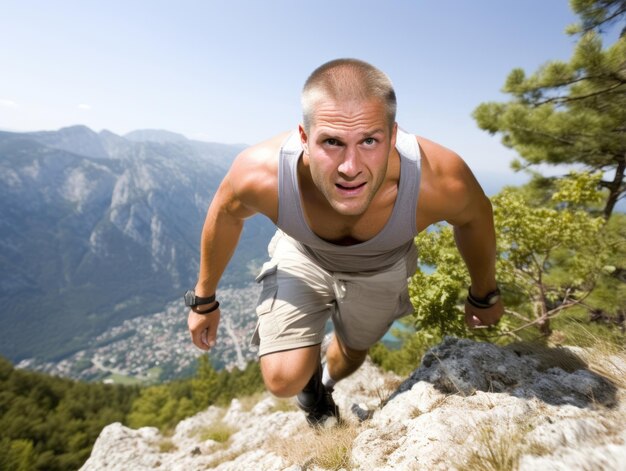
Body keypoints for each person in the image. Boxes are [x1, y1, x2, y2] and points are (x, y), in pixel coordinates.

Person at [186, 58, 504, 426]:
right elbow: (225, 212)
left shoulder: (439, 179)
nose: (350, 167)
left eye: (369, 140)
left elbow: (476, 219)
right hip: (303, 255)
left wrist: (485, 293)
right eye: (332, 142)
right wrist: (203, 300)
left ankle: (325, 383)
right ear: (304, 138)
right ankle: (309, 391)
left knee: (351, 355)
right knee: (282, 377)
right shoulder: (262, 173)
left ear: (393, 136)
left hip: (382, 268)